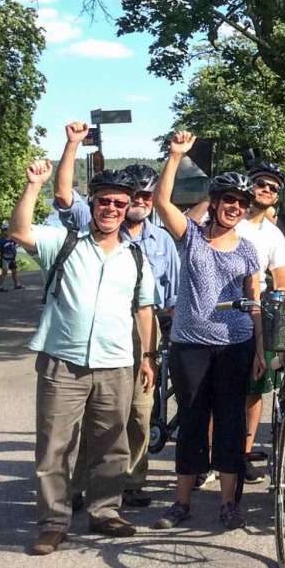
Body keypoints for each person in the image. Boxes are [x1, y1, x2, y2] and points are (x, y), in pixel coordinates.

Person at [6, 159, 156, 555]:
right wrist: (34, 185)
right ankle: (53, 523)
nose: (111, 209)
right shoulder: (64, 240)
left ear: (128, 209)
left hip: (117, 363)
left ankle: (105, 511)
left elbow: (144, 309)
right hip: (63, 360)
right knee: (54, 445)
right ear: (92, 204)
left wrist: (149, 356)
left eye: (119, 204)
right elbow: (18, 231)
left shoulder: (136, 257)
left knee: (112, 442)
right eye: (104, 201)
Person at [48, 146, 181, 512]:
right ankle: (77, 489)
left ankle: (131, 482)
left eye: (144, 195)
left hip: (145, 327)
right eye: (132, 195)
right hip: (99, 327)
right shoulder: (100, 222)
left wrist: (156, 347)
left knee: (139, 412)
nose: (138, 202)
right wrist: (72, 144)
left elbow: (168, 293)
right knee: (95, 418)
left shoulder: (162, 240)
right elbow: (62, 195)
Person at [150, 132, 265, 531]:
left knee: (231, 422)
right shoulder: (192, 237)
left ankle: (229, 503)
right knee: (194, 420)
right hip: (191, 345)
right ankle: (181, 503)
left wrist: (261, 350)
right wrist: (176, 156)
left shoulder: (249, 249)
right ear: (214, 203)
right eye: (229, 200)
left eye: (242, 202)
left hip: (235, 344)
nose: (235, 206)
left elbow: (255, 302)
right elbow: (162, 204)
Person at [236, 160, 285, 486]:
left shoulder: (272, 234)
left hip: (257, 314)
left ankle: (243, 454)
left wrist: (280, 315)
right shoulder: (228, 219)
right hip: (220, 313)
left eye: (273, 188)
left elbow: (283, 279)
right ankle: (214, 454)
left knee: (255, 390)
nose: (267, 190)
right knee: (219, 389)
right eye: (261, 183)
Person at [0, 222, 23, 291]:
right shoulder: (1, 240)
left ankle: (16, 285)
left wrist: (19, 243)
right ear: (3, 231)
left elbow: (18, 243)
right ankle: (0, 286)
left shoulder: (13, 239)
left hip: (12, 258)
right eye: (6, 230)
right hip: (4, 258)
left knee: (14, 271)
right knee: (4, 272)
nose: (7, 232)